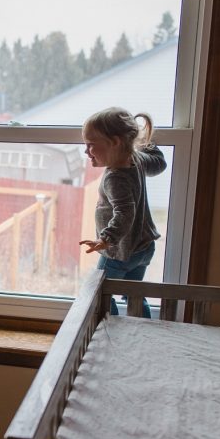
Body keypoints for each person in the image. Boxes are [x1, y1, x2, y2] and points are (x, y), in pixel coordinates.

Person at [79, 107, 167, 317]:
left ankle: (112, 330)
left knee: (99, 294)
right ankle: (143, 328)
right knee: (133, 294)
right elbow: (159, 162)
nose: (86, 151)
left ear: (116, 142)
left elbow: (125, 212)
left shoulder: (115, 177)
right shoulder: (136, 159)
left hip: (120, 251)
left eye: (91, 145)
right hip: (144, 248)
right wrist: (140, 139)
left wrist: (107, 238)